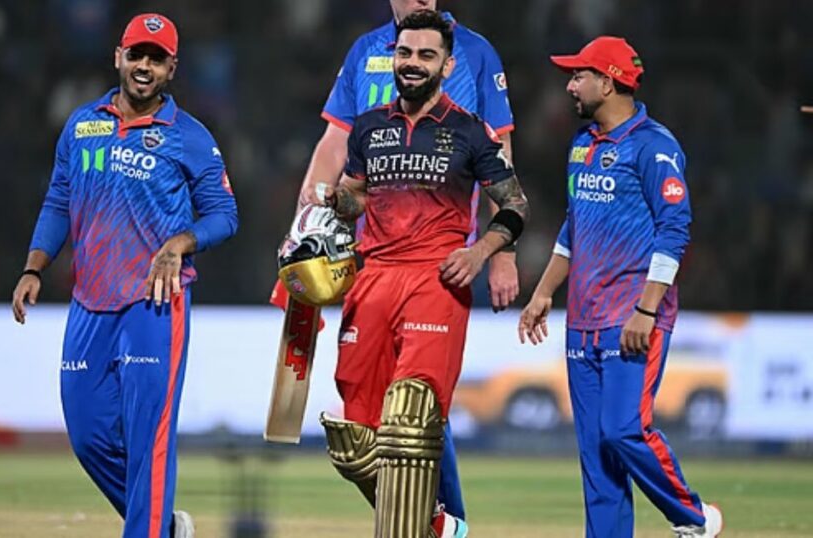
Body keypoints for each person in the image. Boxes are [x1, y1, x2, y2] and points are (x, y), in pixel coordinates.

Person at [272, 0, 520, 526]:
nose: (413, 62)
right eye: (405, 53)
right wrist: (313, 220)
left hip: (438, 271)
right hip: (372, 270)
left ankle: (439, 521)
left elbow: (509, 185)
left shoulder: (473, 90)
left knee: (412, 414)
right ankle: (438, 524)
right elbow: (344, 173)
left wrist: (492, 252)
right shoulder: (367, 96)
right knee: (355, 436)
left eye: (426, 55)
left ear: (447, 64)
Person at [10, 13, 238, 538]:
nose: (144, 67)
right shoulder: (82, 125)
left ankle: (147, 530)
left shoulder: (190, 137)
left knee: (148, 439)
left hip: (153, 304)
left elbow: (225, 215)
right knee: (88, 434)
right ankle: (164, 525)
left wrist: (180, 243)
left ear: (171, 69)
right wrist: (33, 267)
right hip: (89, 302)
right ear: (118, 57)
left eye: (156, 59)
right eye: (137, 55)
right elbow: (59, 200)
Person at [517, 36, 723, 538]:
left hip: (631, 317)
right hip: (583, 318)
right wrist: (543, 292)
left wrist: (646, 311)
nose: (570, 86)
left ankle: (695, 517)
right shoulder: (582, 144)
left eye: (578, 76)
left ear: (607, 82)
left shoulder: (654, 146)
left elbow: (675, 229)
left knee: (623, 430)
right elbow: (575, 227)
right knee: (597, 455)